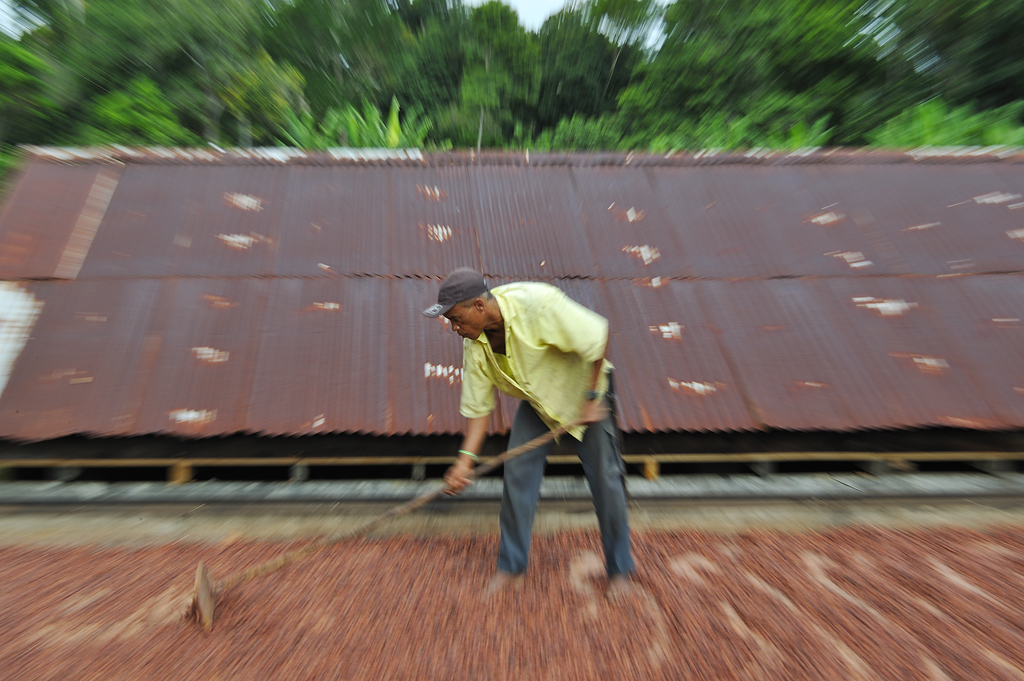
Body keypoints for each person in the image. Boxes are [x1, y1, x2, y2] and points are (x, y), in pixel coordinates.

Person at [423, 268, 634, 596]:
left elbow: (597, 335)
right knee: (518, 474)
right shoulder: (475, 343)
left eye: (456, 318)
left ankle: (620, 572)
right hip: (539, 401)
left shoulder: (537, 304)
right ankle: (511, 568)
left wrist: (591, 398)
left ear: (479, 305)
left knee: (606, 483)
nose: (454, 328)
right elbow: (479, 410)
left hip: (584, 394)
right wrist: (465, 461)